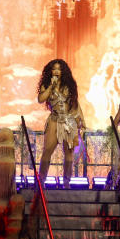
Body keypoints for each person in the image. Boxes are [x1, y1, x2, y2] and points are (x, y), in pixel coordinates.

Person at [36, 59, 84, 188]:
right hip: (54, 120)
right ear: (50, 71)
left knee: (69, 153)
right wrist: (51, 86)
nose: (56, 71)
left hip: (68, 121)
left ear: (63, 71)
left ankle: (66, 183)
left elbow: (75, 104)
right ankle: (41, 182)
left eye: (59, 69)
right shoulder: (46, 85)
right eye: (54, 69)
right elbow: (41, 99)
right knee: (47, 151)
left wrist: (80, 121)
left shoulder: (69, 86)